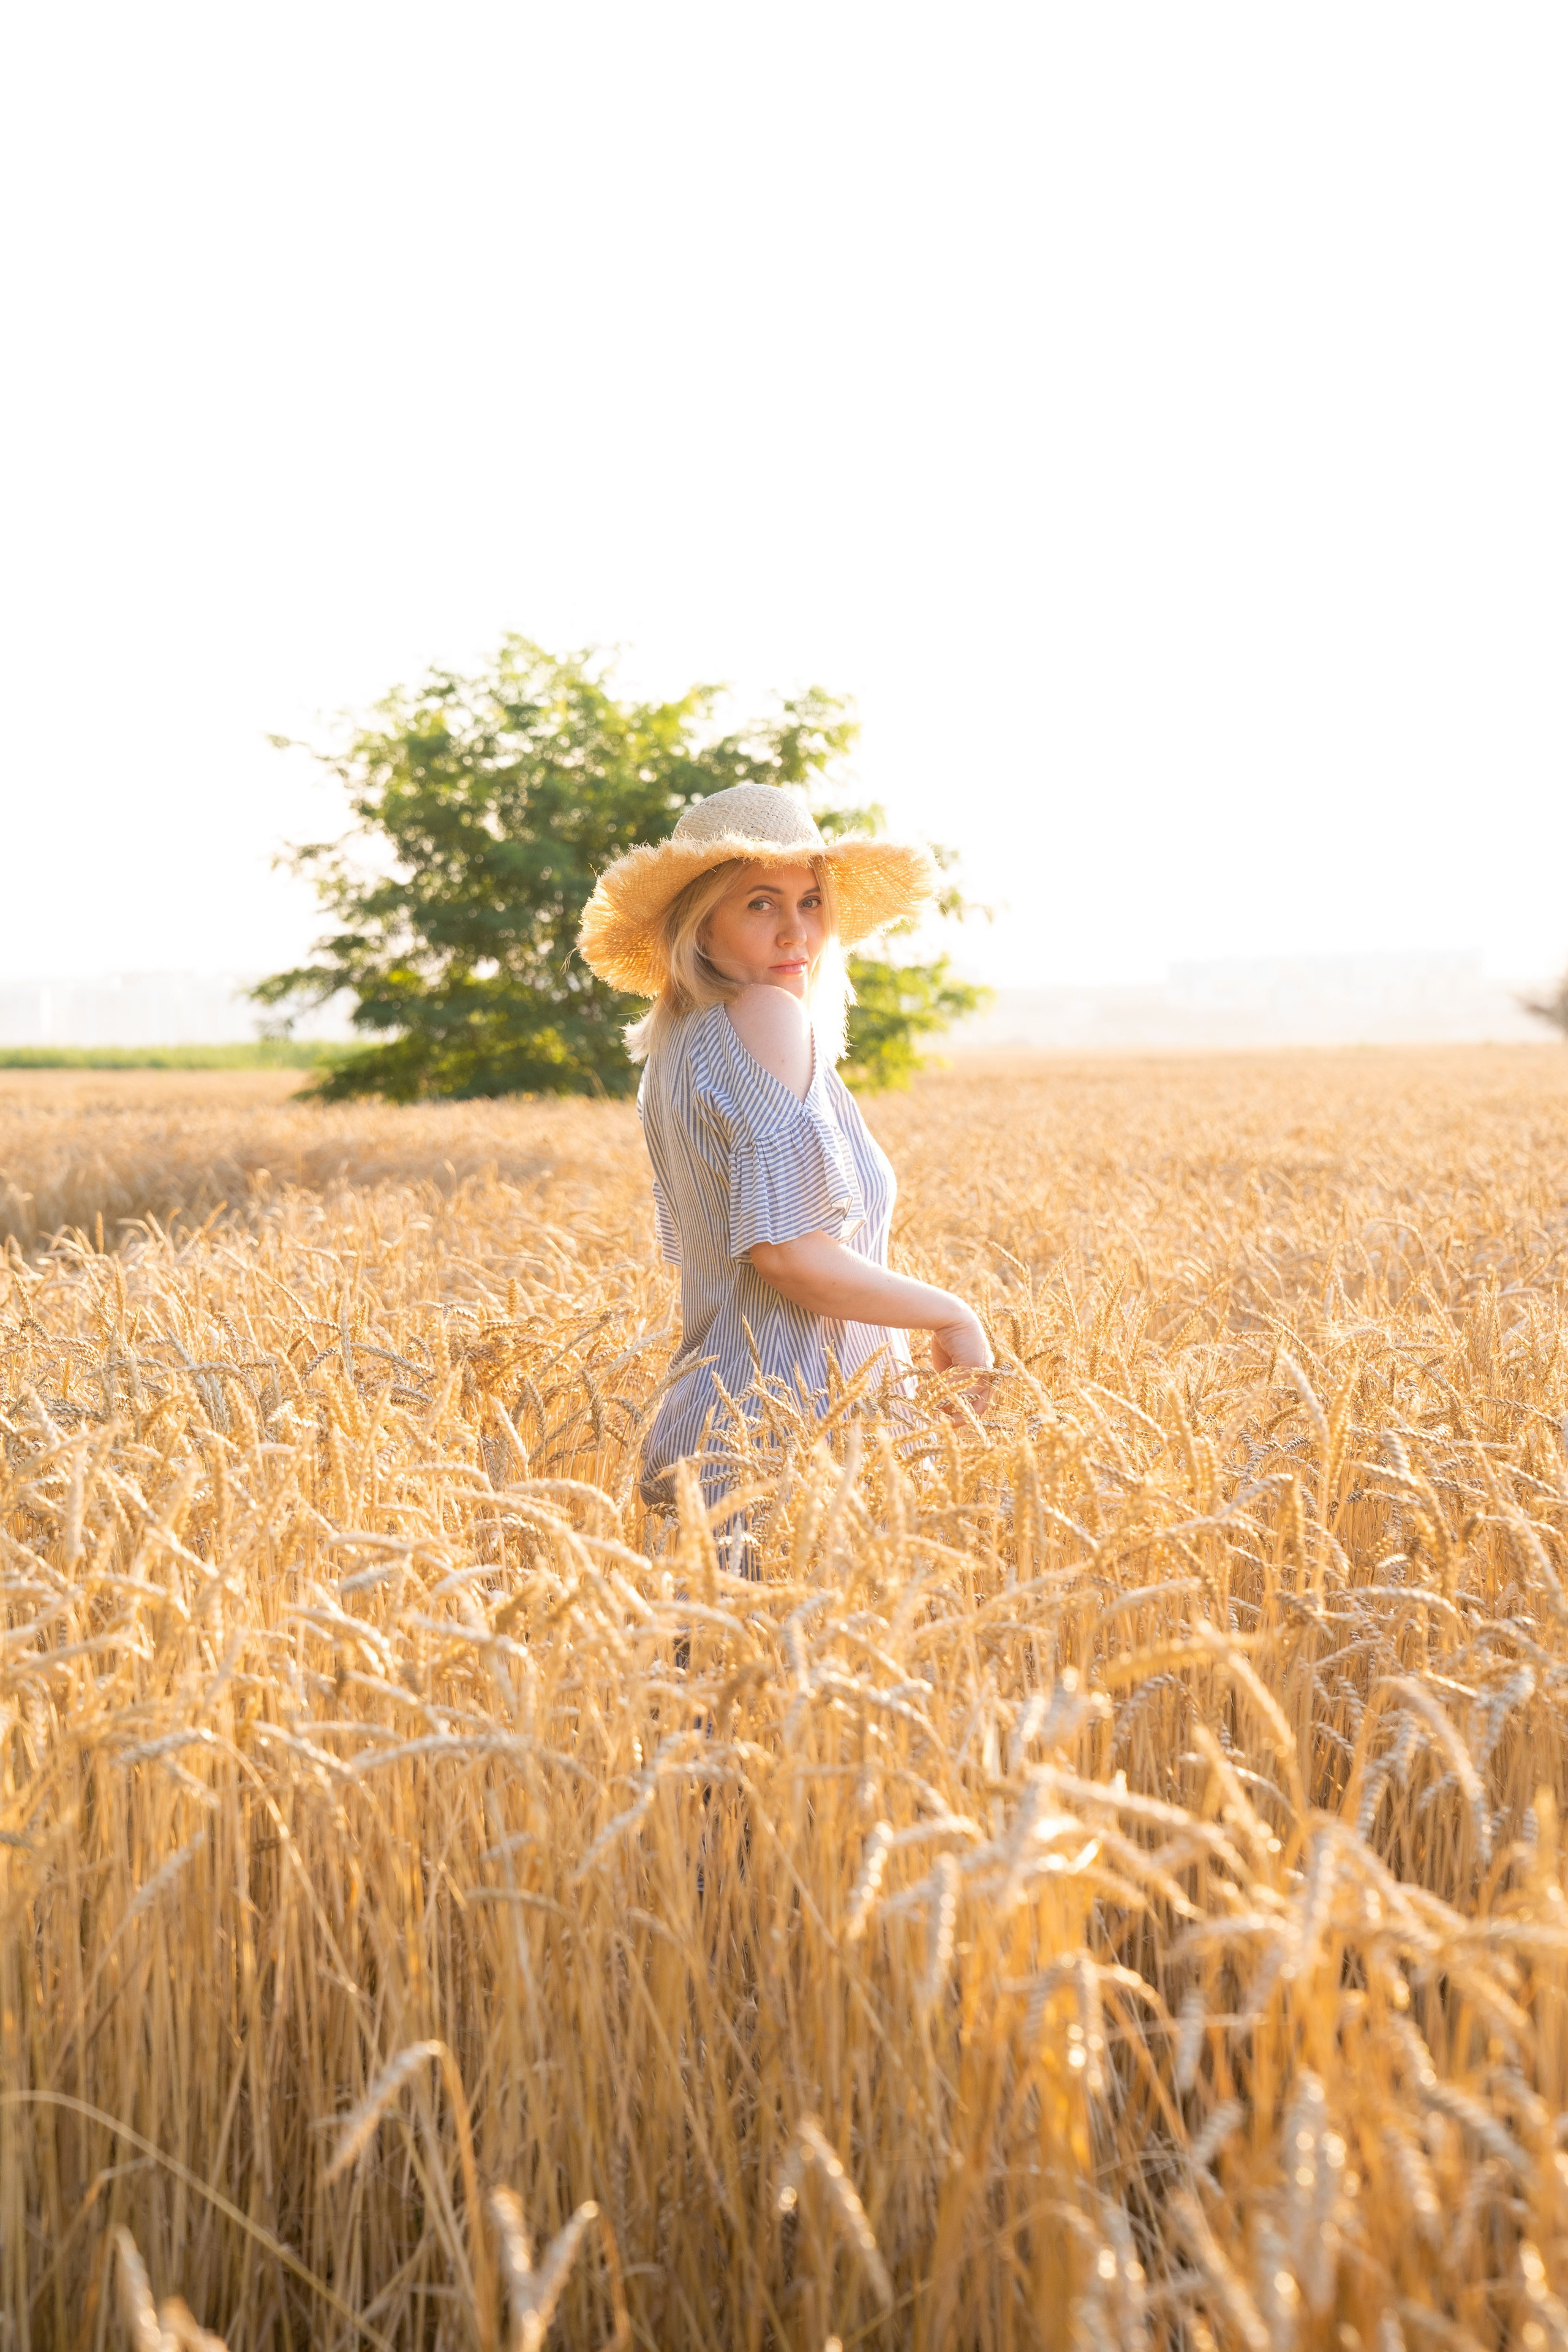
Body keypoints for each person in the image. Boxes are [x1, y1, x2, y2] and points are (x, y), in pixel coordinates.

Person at [577, 780, 993, 1513]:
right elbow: (789, 1255)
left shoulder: (678, 1044)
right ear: (700, 925)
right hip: (794, 1444)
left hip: (720, 1432)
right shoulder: (765, 1016)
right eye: (760, 903)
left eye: (810, 902)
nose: (795, 931)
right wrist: (952, 1315)